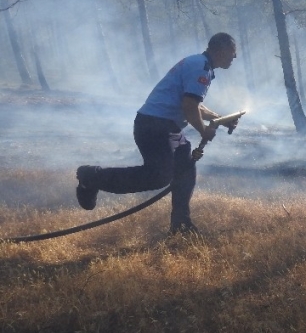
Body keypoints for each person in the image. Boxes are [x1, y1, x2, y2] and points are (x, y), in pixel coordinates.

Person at [75, 32, 240, 235]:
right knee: (157, 177)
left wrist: (221, 119)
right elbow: (189, 106)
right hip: (155, 127)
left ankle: (181, 225)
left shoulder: (199, 63)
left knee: (185, 168)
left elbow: (193, 104)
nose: (235, 57)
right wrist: (203, 131)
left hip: (164, 127)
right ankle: (91, 176)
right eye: (233, 52)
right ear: (221, 49)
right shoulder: (201, 68)